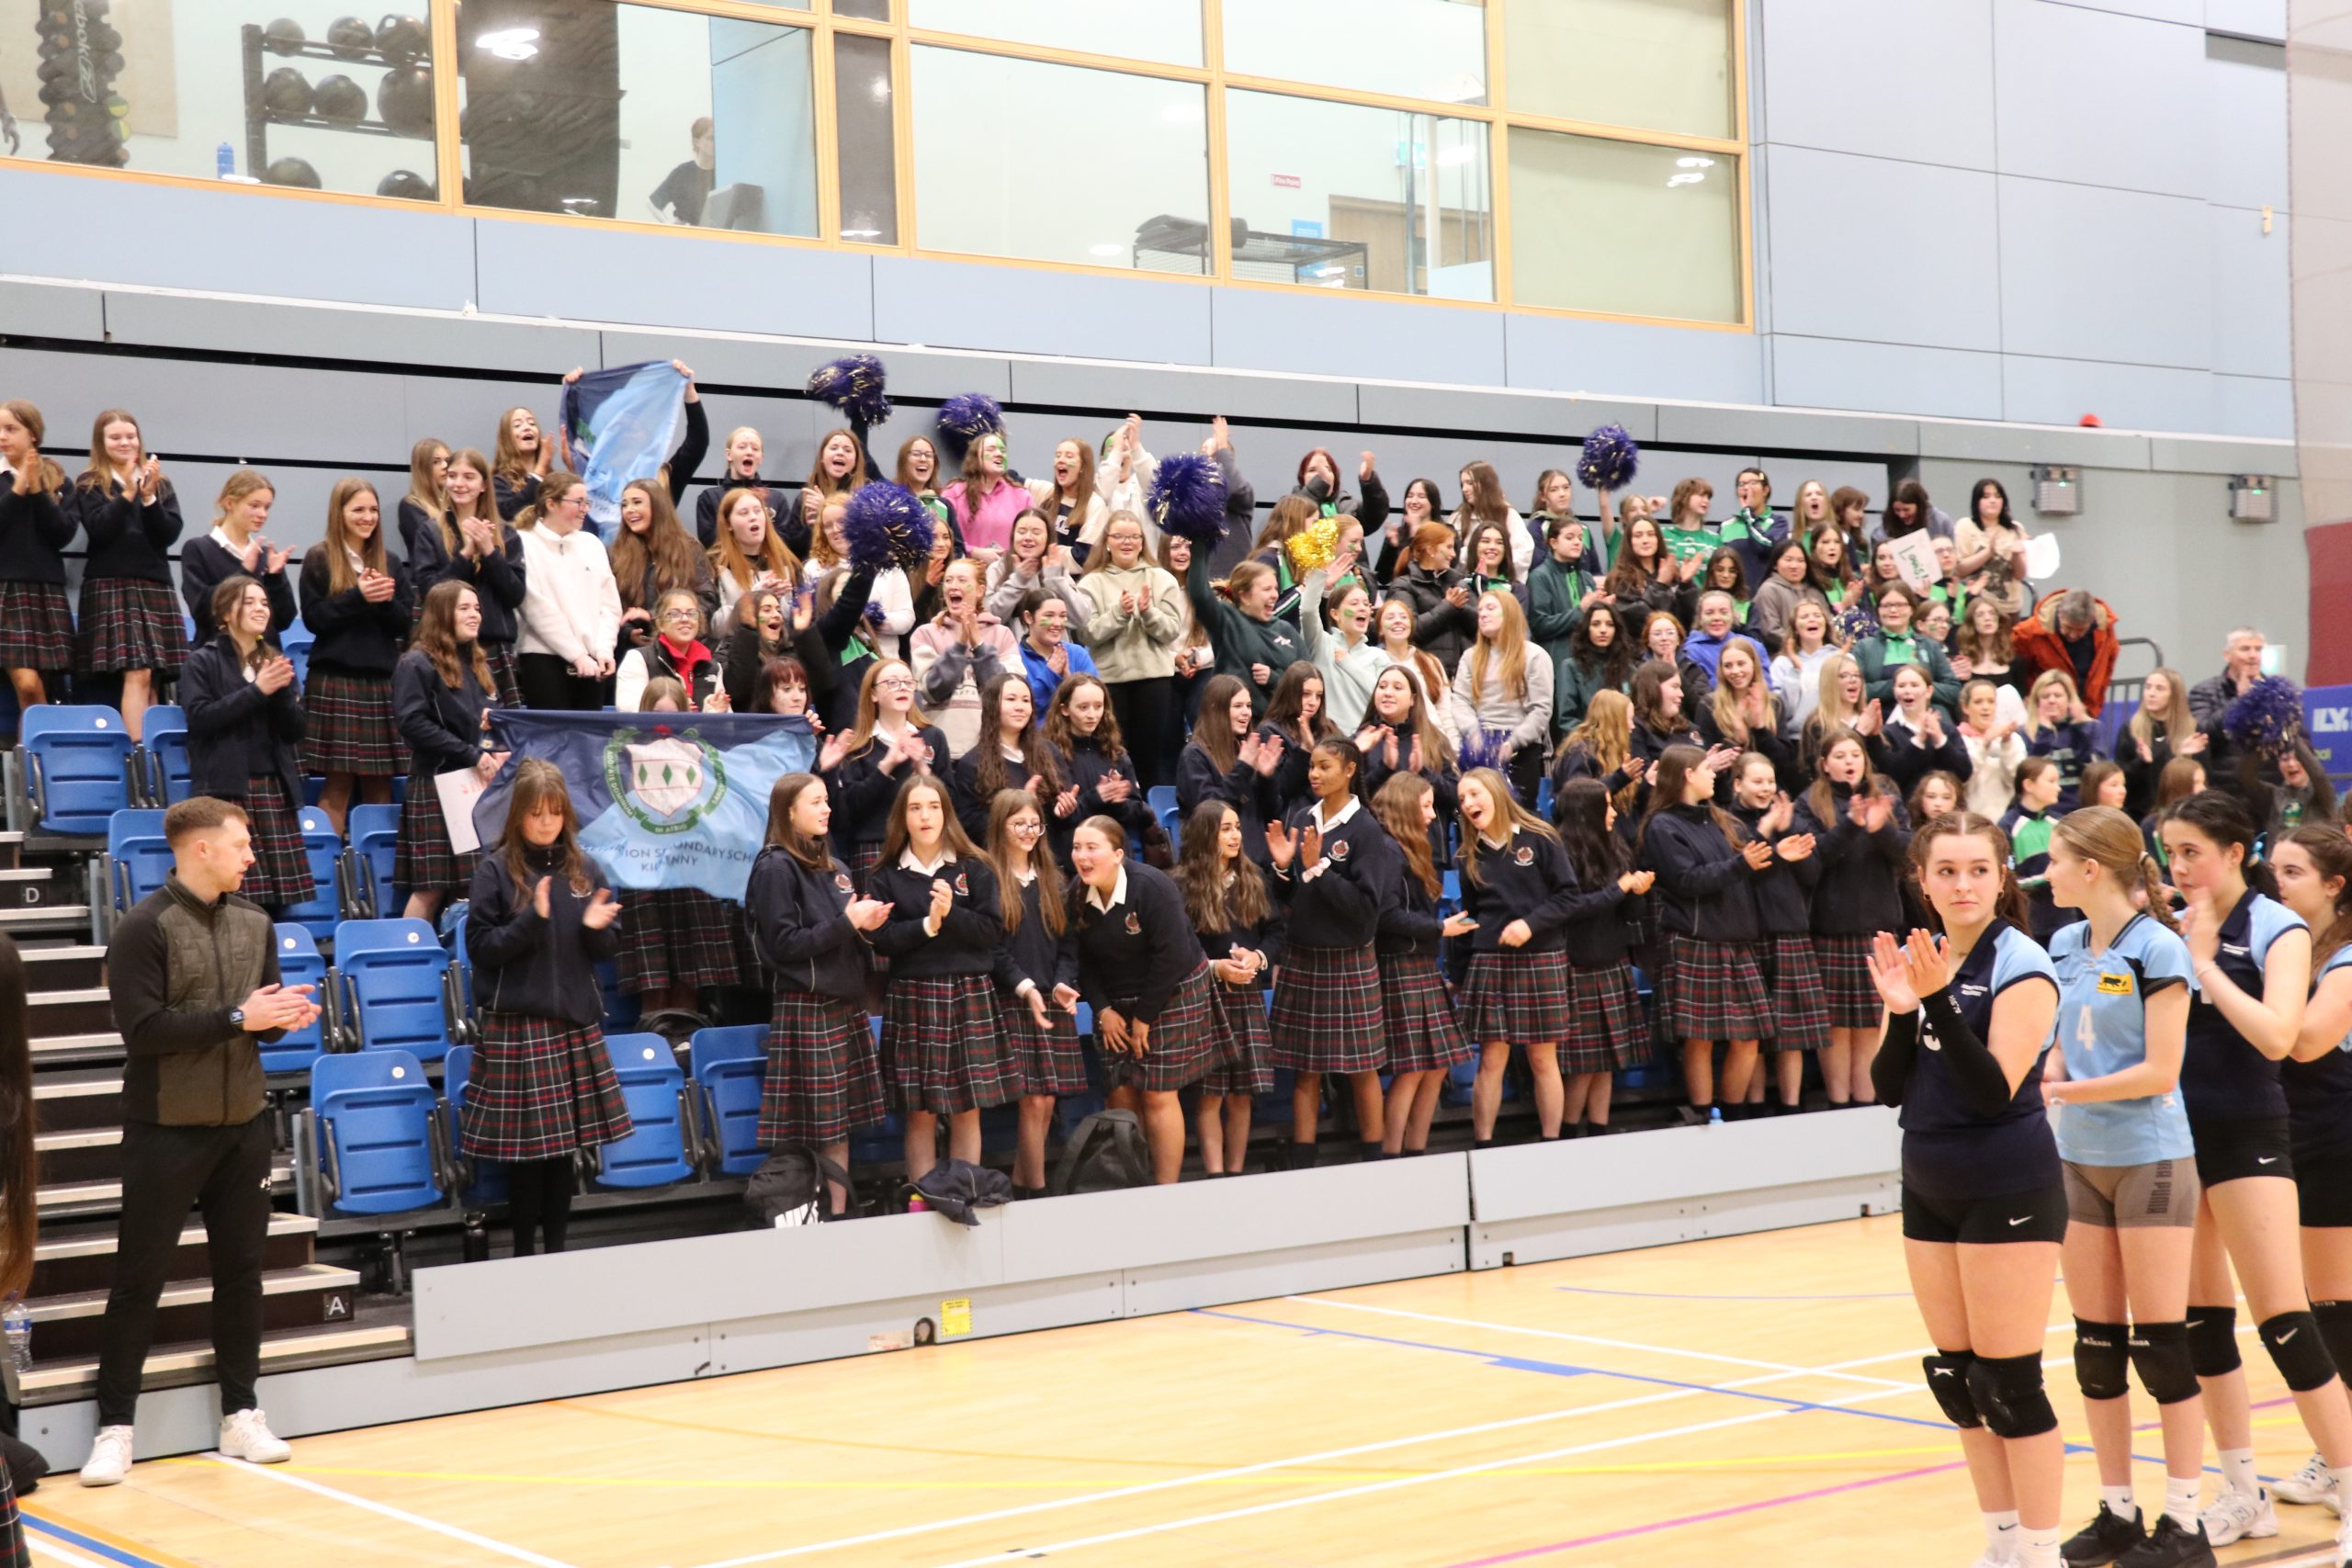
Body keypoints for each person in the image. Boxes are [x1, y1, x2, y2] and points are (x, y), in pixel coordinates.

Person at [81, 796, 322, 1489]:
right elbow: (144, 1032)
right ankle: (115, 1428)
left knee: (242, 1275)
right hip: (163, 1129)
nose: (252, 855)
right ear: (201, 849)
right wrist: (240, 1017)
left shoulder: (256, 921)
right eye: (241, 844)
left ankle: (241, 1412)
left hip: (243, 1125)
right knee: (139, 1281)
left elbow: (250, 1025)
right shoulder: (142, 927)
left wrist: (280, 1019)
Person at [1867, 813, 2065, 1568]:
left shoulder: (2022, 962)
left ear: (2001, 875)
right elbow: (1889, 1087)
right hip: (1929, 1180)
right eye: (1946, 871)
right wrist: (1902, 1009)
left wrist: (1939, 999)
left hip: (2005, 1181)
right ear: (1923, 881)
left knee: (2009, 1382)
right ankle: (2003, 1544)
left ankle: (2042, 1552)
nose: (1962, 884)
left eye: (1978, 869)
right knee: (1960, 1379)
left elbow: (1991, 1090)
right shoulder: (1926, 956)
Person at [2160, 792, 2352, 1552]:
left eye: (2193, 852)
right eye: (2171, 852)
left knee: (2286, 1318)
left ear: (2235, 852)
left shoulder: (2277, 927)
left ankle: (2348, 1478)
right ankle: (2243, 1493)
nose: (2180, 866)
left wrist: (2206, 962)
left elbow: (2279, 1037)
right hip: (2178, 1135)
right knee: (2202, 1322)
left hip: (2252, 1133)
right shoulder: (2172, 926)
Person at [2038, 807, 2211, 1568]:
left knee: (2161, 1345)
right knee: (2097, 1346)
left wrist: (2060, 1092)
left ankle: (2186, 1522)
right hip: (2078, 1157)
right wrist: (2050, 1072)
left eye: (2054, 860)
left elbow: (2160, 1071)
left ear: (2091, 868)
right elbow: (2060, 1046)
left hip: (2150, 1157)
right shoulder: (2063, 944)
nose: (2045, 872)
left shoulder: (2158, 947)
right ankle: (2117, 1512)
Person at [462, 761, 633, 1257]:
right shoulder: (495, 870)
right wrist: (531, 921)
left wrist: (595, 930)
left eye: (555, 813)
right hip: (519, 1025)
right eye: (536, 813)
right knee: (528, 1156)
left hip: (573, 1021)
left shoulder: (585, 870)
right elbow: (481, 949)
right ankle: (523, 1254)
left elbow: (605, 950)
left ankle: (556, 1253)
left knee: (563, 1153)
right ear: (518, 814)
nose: (546, 823)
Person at [746, 773, 889, 1217]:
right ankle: (814, 1214)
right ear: (789, 812)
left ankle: (839, 1214)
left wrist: (866, 928)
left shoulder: (837, 868)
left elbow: (839, 936)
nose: (827, 809)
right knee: (821, 1126)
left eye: (827, 800)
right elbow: (784, 945)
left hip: (845, 1004)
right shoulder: (775, 868)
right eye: (816, 802)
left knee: (839, 1124)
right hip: (807, 1006)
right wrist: (849, 923)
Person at [2269, 826, 2352, 1515]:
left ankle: (2341, 1455)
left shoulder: (2345, 959)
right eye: (2273, 869)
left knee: (2333, 1307)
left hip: (2337, 1139)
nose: (2278, 883)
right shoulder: (2285, 949)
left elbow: (2305, 1040)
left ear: (2333, 885)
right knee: (2319, 1302)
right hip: (2294, 1136)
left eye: (2293, 872)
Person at [1067, 814, 1218, 1183]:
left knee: (1156, 1093)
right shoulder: (1075, 894)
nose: (1082, 856)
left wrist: (1144, 1017)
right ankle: (1130, 1186)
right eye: (1076, 847)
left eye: (1092, 848)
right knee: (1121, 1096)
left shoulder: (1152, 886)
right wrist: (1102, 1010)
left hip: (1174, 989)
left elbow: (1173, 957)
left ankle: (1165, 1192)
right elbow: (1082, 961)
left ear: (1118, 854)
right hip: (1116, 998)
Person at [1265, 738, 1395, 1166]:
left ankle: (1374, 1159)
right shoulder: (1304, 817)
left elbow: (1366, 908)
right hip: (1303, 955)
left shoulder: (1365, 829)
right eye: (1312, 767)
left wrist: (1319, 870)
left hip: (1348, 958)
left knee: (1362, 1068)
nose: (1315, 774)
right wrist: (1282, 868)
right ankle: (1304, 1161)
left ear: (1350, 770)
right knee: (1305, 1069)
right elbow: (1288, 897)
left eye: (1325, 766)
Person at [1456, 766, 1598, 1143]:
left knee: (1542, 1057)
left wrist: (1530, 925)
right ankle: (1483, 1144)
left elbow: (1569, 897)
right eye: (1462, 798)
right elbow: (1470, 915)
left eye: (1475, 794)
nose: (1468, 803)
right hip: (1490, 961)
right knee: (1491, 1059)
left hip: (1541, 957)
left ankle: (1551, 1143)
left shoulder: (1540, 836)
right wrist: (1458, 972)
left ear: (1496, 793)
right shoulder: (1468, 855)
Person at [1640, 744, 1775, 1120]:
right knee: (1699, 1039)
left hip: (1736, 938)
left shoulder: (1718, 818)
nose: (1713, 775)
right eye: (1707, 769)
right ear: (1688, 775)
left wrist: (1776, 857)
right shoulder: (1662, 825)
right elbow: (1686, 881)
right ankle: (1702, 1117)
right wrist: (1741, 864)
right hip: (1694, 939)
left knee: (1749, 1037)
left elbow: (1744, 866)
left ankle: (1731, 1116)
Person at [1794, 728, 1912, 1108]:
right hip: (1831, 930)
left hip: (1879, 930)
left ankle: (1865, 1104)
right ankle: (1838, 1105)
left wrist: (1879, 829)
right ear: (1824, 764)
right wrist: (1851, 824)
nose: (1850, 762)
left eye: (1856, 755)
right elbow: (1811, 862)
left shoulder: (1886, 796)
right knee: (1835, 1027)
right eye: (1840, 756)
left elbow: (1909, 853)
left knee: (1870, 1023)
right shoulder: (1809, 803)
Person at [179, 579, 311, 910]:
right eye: (249, 602)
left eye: (264, 603)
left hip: (273, 788)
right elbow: (200, 718)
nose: (260, 609)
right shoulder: (202, 661)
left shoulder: (274, 661)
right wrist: (257, 691)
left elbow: (295, 730)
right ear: (226, 613)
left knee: (279, 902)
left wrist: (280, 695)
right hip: (227, 789)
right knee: (235, 898)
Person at [299, 479, 413, 834]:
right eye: (358, 510)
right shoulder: (319, 558)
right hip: (335, 680)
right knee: (337, 784)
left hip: (381, 682)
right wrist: (358, 596)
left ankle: (376, 860)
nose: (368, 517)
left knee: (380, 784)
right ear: (340, 513)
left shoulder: (389, 561)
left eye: (373, 510)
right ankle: (329, 859)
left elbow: (403, 623)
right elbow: (316, 619)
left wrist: (385, 601)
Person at [979, 789, 1079, 1199]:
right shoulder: (987, 877)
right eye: (1018, 823)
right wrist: (1023, 985)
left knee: (1047, 1102)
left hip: (1050, 999)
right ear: (999, 826)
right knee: (1034, 1102)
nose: (1027, 831)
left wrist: (1062, 981)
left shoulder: (1054, 879)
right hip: (1012, 999)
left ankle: (1021, 1190)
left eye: (1034, 824)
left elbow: (1069, 944)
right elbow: (992, 948)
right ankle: (1038, 1195)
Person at [1369, 773, 1474, 1156]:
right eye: (1426, 806)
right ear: (1404, 806)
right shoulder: (1387, 849)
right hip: (1400, 964)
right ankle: (1391, 1156)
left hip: (1420, 964)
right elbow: (1386, 915)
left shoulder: (1406, 847)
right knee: (1412, 1069)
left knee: (1436, 1065)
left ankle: (1415, 1153)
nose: (1432, 815)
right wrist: (1439, 928)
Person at [1178, 799, 1281, 1175]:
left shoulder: (1254, 877)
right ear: (1206, 834)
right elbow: (1179, 947)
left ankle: (1235, 1174)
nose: (1235, 835)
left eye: (1237, 827)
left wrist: (1258, 958)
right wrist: (1215, 968)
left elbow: (1276, 932)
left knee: (1241, 1095)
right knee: (1210, 1095)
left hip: (1246, 996)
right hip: (1205, 997)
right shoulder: (1182, 884)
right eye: (1226, 829)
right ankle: (1215, 1175)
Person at [391, 581, 503, 922]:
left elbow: (489, 723)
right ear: (442, 614)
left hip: (475, 785)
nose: (475, 615)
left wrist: (496, 750)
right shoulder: (416, 663)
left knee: (472, 884)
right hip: (437, 784)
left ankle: (457, 952)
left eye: (477, 608)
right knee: (431, 888)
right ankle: (411, 951)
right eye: (464, 608)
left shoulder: (478, 663)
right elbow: (413, 724)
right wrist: (472, 755)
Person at [72, 408, 186, 739]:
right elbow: (100, 528)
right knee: (138, 672)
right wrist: (129, 494)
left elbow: (167, 534)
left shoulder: (160, 484)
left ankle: (152, 751)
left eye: (130, 436)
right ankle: (138, 752)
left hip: (154, 584)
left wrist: (149, 497)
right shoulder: (90, 483)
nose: (125, 442)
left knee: (153, 678)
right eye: (115, 437)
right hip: (110, 584)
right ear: (101, 442)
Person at [1729, 753, 1827, 1115]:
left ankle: (1792, 1108)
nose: (1766, 788)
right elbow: (1741, 874)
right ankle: (1754, 1109)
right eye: (1757, 782)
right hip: (1749, 937)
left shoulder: (1790, 821)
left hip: (1790, 933)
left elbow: (1812, 875)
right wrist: (1769, 836)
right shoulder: (1729, 823)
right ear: (1737, 784)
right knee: (1752, 1036)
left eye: (1770, 781)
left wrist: (1785, 830)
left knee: (1792, 1035)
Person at [414, 448, 527, 705]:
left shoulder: (506, 534)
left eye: (468, 477)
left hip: (492, 646)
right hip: (446, 646)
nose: (459, 483)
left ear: (484, 485)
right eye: (452, 476)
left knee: (497, 726)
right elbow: (430, 591)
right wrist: (466, 554)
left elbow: (515, 595)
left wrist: (489, 552)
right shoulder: (430, 532)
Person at [1078, 512, 1182, 786]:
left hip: (1154, 681)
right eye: (1119, 536)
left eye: (1134, 537)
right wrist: (1119, 613)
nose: (1127, 542)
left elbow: (1171, 631)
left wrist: (1148, 612)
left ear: (1142, 542)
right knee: (1112, 757)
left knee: (1150, 760)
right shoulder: (1090, 583)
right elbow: (1087, 634)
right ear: (1106, 541)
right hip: (1110, 682)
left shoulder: (1162, 578)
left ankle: (1147, 809)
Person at [828, 660, 948, 887]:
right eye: (892, 683)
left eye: (908, 682)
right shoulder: (858, 745)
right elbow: (849, 811)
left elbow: (950, 801)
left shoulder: (933, 737)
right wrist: (886, 766)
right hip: (874, 847)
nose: (902, 687)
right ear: (873, 693)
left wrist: (921, 768)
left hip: (925, 844)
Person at [514, 471, 621, 711]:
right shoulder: (523, 542)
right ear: (551, 504)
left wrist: (604, 649)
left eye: (587, 502)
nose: (585, 509)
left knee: (587, 733)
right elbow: (535, 607)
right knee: (552, 734)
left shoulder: (591, 544)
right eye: (578, 502)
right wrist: (576, 655)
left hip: (592, 662)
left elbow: (610, 606)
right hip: (543, 658)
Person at [0, 400, 79, 714]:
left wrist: (36, 490)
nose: (3, 436)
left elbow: (63, 533)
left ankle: (37, 743)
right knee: (27, 683)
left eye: (11, 429)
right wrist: (19, 488)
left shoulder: (59, 481)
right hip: (6, 590)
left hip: (46, 589)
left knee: (41, 687)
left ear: (32, 434)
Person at [910, 557, 1019, 760]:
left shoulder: (1002, 635)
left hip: (991, 750)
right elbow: (932, 690)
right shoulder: (925, 634)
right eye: (948, 580)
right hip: (942, 750)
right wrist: (960, 646)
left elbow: (1008, 694)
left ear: (980, 590)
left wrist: (979, 646)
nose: (953, 586)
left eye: (962, 580)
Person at [1040, 673, 1150, 869]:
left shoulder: (1116, 753)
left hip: (1115, 857)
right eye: (1083, 707)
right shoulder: (1051, 753)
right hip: (1074, 861)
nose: (1092, 715)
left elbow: (1138, 813)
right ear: (1065, 709)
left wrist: (1118, 802)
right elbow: (1059, 818)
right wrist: (1097, 797)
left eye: (1098, 706)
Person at [1454, 592, 1553, 804]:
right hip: (1479, 745)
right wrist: (1473, 732)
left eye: (1490, 608)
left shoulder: (1535, 655)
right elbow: (1461, 700)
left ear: (1509, 613)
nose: (1482, 614)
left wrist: (1512, 742)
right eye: (1480, 610)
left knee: (1518, 813)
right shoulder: (1470, 657)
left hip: (1522, 749)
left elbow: (1541, 710)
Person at [1175, 673, 1279, 864]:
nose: (1247, 713)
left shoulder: (1246, 750)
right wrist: (1243, 769)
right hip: (1213, 865)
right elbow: (1208, 814)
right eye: (1238, 706)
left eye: (1248, 706)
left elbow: (1271, 815)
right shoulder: (1194, 755)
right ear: (1215, 709)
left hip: (1257, 865)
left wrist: (1266, 778)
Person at [181, 469, 296, 643]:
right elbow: (202, 612)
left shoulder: (265, 556)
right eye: (254, 506)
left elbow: (283, 620)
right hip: (218, 655)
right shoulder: (198, 549)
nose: (263, 514)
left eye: (267, 507)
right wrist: (244, 572)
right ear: (229, 503)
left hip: (264, 655)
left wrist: (275, 579)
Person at [1183, 553, 1299, 718]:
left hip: (1280, 723)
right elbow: (1200, 595)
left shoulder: (1285, 629)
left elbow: (1306, 680)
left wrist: (1274, 679)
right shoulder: (1227, 621)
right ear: (1244, 596)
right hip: (1233, 724)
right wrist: (1200, 546)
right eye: (1267, 589)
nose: (1275, 595)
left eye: (1275, 588)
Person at [950, 672, 1060, 844]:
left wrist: (1066, 809)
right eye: (1011, 699)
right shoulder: (971, 763)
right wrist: (1018, 807)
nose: (1020, 707)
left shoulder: (1049, 752)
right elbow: (968, 824)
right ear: (992, 706)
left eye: (1026, 700)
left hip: (1047, 853)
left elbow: (1062, 817)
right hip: (1000, 855)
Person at [614, 589, 729, 714]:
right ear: (660, 624)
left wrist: (713, 713)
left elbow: (727, 722)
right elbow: (629, 711)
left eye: (691, 613)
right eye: (675, 614)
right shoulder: (638, 659)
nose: (685, 619)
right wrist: (674, 713)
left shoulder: (713, 668)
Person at [2012, 588, 2121, 718]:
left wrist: (2096, 702)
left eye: (2081, 630)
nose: (2073, 635)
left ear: (2092, 620)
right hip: (2044, 713)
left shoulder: (2105, 631)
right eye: (2068, 627)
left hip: (2086, 712)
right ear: (2060, 614)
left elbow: (2108, 666)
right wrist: (2026, 699)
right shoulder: (2029, 632)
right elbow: (2013, 666)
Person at [1855, 584, 1962, 716]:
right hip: (1880, 717)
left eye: (1900, 605)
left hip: (1926, 716)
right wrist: (1895, 686)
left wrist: (1920, 688)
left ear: (1912, 609)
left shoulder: (1930, 646)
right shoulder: (1864, 647)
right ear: (1878, 610)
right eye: (1886, 605)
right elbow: (1856, 690)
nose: (1893, 610)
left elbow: (1953, 690)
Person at [2120, 669, 2208, 821]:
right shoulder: (2130, 728)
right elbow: (2121, 779)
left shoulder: (2193, 731)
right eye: (2148, 687)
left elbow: (2204, 782)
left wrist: (2184, 757)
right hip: (2138, 814)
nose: (2151, 693)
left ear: (2174, 695)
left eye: (2160, 689)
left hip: (2181, 814)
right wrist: (2141, 762)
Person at [1876, 664, 1973, 803]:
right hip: (1906, 808)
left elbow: (1964, 772)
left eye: (1914, 685)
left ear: (1929, 691)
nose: (1908, 691)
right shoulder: (1887, 733)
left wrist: (1939, 739)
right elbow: (1890, 776)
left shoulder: (1947, 730)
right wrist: (1918, 741)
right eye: (1901, 686)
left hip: (1947, 810)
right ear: (1894, 692)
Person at [2003, 757, 2067, 942]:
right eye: (2051, 781)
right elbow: (2009, 877)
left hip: (2065, 919)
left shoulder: (2060, 823)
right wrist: (2046, 878)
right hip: (2031, 921)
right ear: (2029, 785)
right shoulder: (2008, 826)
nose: (2058, 788)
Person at [2023, 669, 2102, 811]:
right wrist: (2044, 733)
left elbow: (2096, 771)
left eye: (2058, 695)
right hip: (2043, 811)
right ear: (2037, 702)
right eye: (2045, 696)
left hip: (2081, 810)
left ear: (2069, 700)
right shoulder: (2025, 732)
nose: (2052, 700)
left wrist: (2080, 730)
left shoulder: (2091, 728)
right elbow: (2031, 773)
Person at [1014, 588, 1099, 716]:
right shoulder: (1016, 657)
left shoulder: (1077, 654)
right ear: (1029, 617)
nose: (1058, 623)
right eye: (1049, 616)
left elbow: (1096, 701)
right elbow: (1022, 707)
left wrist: (1069, 682)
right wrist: (1050, 675)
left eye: (1063, 616)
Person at [1959, 679, 2028, 823]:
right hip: (1971, 820)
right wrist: (1984, 745)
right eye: (1978, 702)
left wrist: (2006, 743)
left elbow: (2017, 779)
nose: (1986, 707)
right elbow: (1962, 777)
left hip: (2006, 820)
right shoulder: (1958, 739)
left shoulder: (2012, 739)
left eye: (1991, 702)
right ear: (1965, 707)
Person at [696, 423, 773, 550]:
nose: (749, 452)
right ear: (729, 454)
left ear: (761, 458)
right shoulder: (710, 498)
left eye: (755, 449)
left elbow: (784, 542)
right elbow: (709, 543)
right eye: (742, 447)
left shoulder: (775, 499)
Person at [490, 405, 556, 522]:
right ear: (506, 438)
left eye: (532, 423)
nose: (527, 428)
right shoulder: (499, 481)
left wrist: (571, 464)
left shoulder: (553, 479)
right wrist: (540, 469)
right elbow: (510, 513)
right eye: (517, 425)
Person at [650, 116, 715, 225]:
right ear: (697, 142)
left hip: (716, 233)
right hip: (686, 233)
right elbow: (652, 203)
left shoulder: (722, 173)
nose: (715, 143)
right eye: (710, 138)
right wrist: (668, 225)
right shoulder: (683, 173)